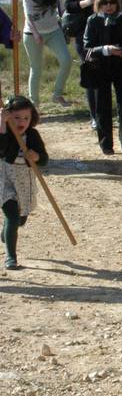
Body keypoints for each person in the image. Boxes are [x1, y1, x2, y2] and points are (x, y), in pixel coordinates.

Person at [66, 0, 122, 130]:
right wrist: (86, 3)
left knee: (117, 74)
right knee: (92, 72)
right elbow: (68, 6)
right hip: (88, 36)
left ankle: (119, 115)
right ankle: (95, 116)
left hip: (114, 33)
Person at [81, 0, 122, 155]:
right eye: (104, 2)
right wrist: (106, 49)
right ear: (99, 3)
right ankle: (106, 144)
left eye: (112, 2)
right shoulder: (93, 20)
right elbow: (87, 47)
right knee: (102, 106)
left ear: (117, 2)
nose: (109, 6)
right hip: (100, 67)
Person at [1, 95, 49, 271]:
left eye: (26, 118)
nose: (21, 122)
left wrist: (36, 156)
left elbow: (44, 159)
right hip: (5, 181)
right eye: (16, 117)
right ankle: (11, 258)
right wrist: (2, 125)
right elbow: (1, 150)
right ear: (8, 116)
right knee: (12, 216)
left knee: (19, 220)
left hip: (25, 183)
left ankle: (7, 230)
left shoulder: (33, 135)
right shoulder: (4, 131)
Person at [21, 0, 74, 108]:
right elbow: (28, 16)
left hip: (53, 31)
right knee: (36, 68)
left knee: (66, 60)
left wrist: (69, 24)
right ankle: (34, 104)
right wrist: (36, 34)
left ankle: (57, 95)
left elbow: (61, 10)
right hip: (32, 35)